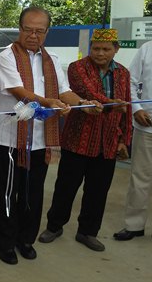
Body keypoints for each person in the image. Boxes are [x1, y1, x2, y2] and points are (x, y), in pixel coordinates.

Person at [0, 6, 85, 265]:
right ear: (20, 29)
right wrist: (49, 102)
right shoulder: (7, 56)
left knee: (33, 191)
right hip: (11, 138)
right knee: (8, 191)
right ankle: (5, 242)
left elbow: (65, 91)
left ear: (47, 32)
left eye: (39, 31)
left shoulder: (52, 59)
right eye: (28, 30)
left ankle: (25, 239)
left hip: (42, 137)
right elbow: (20, 92)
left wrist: (83, 103)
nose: (33, 35)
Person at [38, 29, 130, 252]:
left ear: (116, 50)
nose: (99, 53)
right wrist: (110, 103)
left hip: (107, 143)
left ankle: (88, 232)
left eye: (106, 49)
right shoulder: (77, 68)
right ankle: (55, 226)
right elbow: (86, 92)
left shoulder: (123, 74)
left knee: (98, 191)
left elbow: (126, 107)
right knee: (66, 187)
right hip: (78, 139)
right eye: (96, 48)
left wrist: (123, 141)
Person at [114, 40, 152, 241]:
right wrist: (136, 109)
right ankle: (134, 225)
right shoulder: (147, 48)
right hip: (147, 126)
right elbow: (130, 81)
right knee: (140, 177)